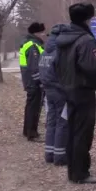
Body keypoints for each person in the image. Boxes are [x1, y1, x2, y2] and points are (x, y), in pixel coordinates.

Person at [55, 2, 96, 184]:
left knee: (72, 131)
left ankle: (73, 171)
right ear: (88, 18)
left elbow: (56, 65)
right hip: (83, 92)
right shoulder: (86, 40)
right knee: (83, 134)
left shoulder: (63, 38)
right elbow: (89, 66)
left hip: (68, 90)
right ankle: (81, 173)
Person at [39, 24, 68, 165]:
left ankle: (49, 154)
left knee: (51, 123)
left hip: (48, 92)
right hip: (60, 92)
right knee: (62, 123)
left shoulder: (44, 53)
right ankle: (60, 157)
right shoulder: (60, 54)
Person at [20, 22, 46, 141]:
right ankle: (32, 133)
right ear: (37, 33)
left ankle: (27, 131)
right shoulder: (33, 46)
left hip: (30, 81)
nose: (44, 34)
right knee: (34, 108)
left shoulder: (29, 43)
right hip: (34, 83)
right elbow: (35, 67)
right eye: (42, 32)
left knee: (30, 106)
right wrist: (40, 82)